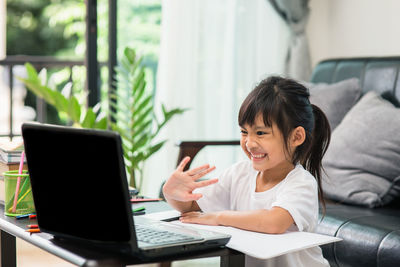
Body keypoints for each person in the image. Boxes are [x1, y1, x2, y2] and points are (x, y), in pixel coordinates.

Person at [163, 76, 331, 267]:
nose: (249, 143)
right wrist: (173, 195)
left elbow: (274, 222)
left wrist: (218, 217)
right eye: (244, 132)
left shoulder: (301, 183)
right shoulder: (239, 173)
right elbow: (195, 210)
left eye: (260, 133)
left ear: (296, 137)